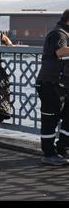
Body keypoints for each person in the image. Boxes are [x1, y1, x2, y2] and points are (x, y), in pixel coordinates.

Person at [36, 10, 69, 166]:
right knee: (50, 120)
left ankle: (63, 148)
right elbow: (60, 52)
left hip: (62, 84)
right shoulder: (58, 34)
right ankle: (48, 154)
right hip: (50, 84)